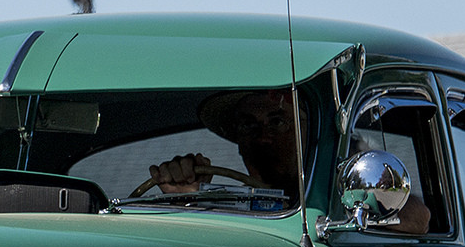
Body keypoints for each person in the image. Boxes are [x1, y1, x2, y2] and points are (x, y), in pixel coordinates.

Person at [147, 88, 429, 234]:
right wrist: (187, 201)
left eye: (279, 122)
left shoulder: (338, 202)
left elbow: (417, 218)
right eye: (248, 125)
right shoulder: (225, 206)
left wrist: (348, 194)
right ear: (238, 143)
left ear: (312, 135)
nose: (263, 137)